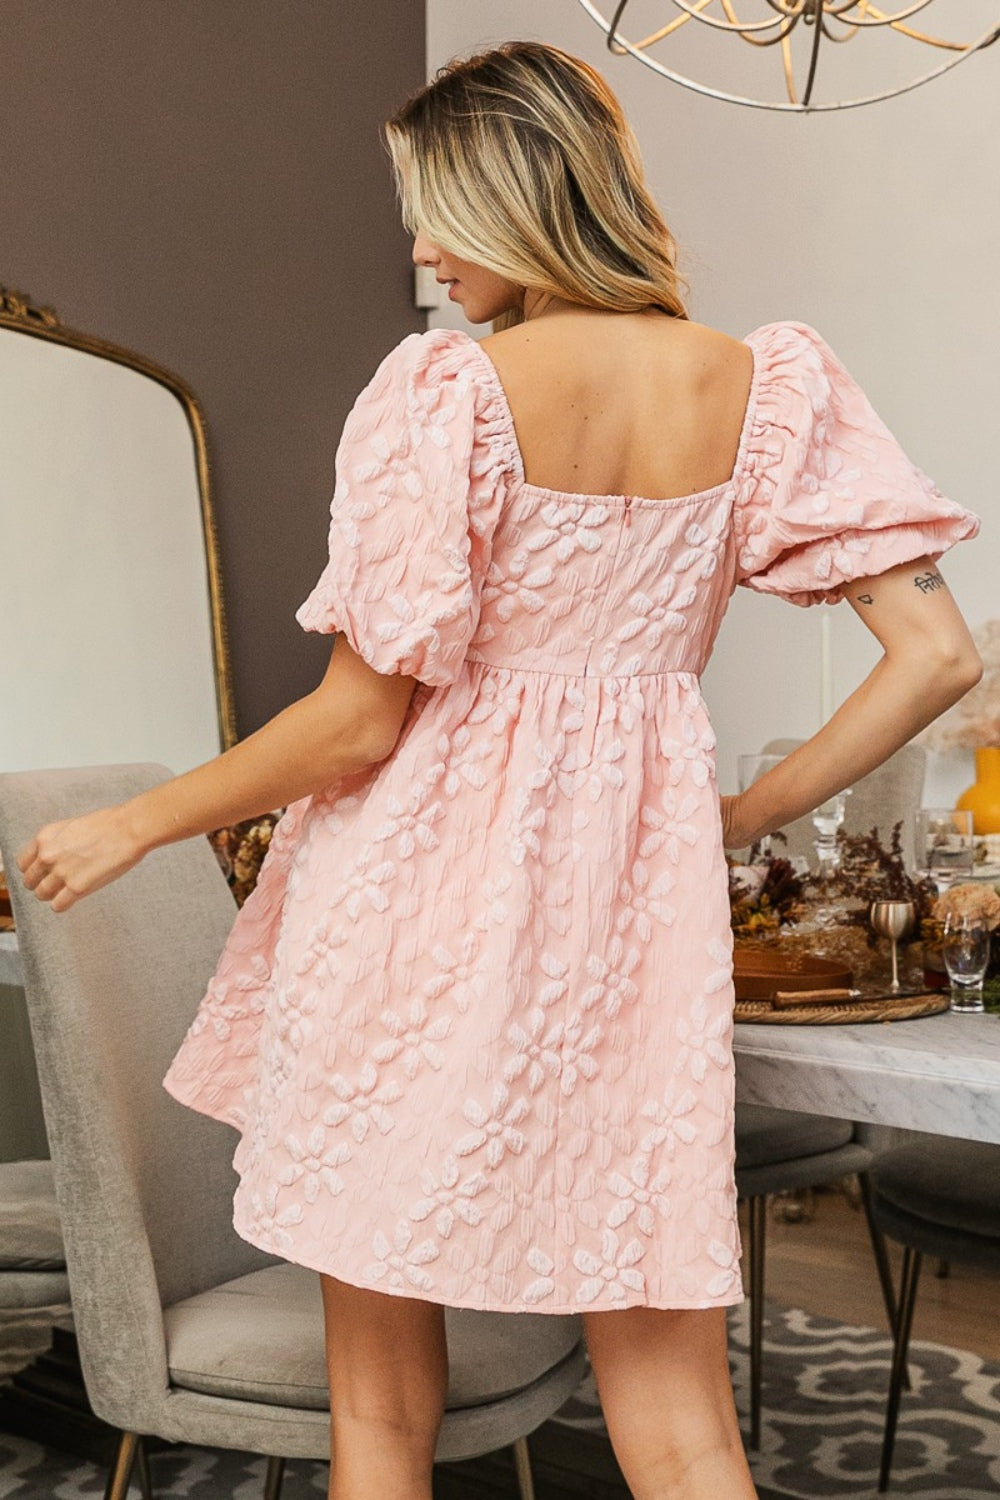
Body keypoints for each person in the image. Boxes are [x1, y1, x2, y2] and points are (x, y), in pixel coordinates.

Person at [17, 40, 981, 1500]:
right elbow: (938, 657)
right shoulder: (765, 384)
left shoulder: (443, 396)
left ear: (522, 198)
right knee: (673, 1406)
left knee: (383, 1414)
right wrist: (739, 817)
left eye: (435, 208)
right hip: (628, 922)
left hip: (405, 915)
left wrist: (138, 822)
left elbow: (356, 726)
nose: (416, 247)